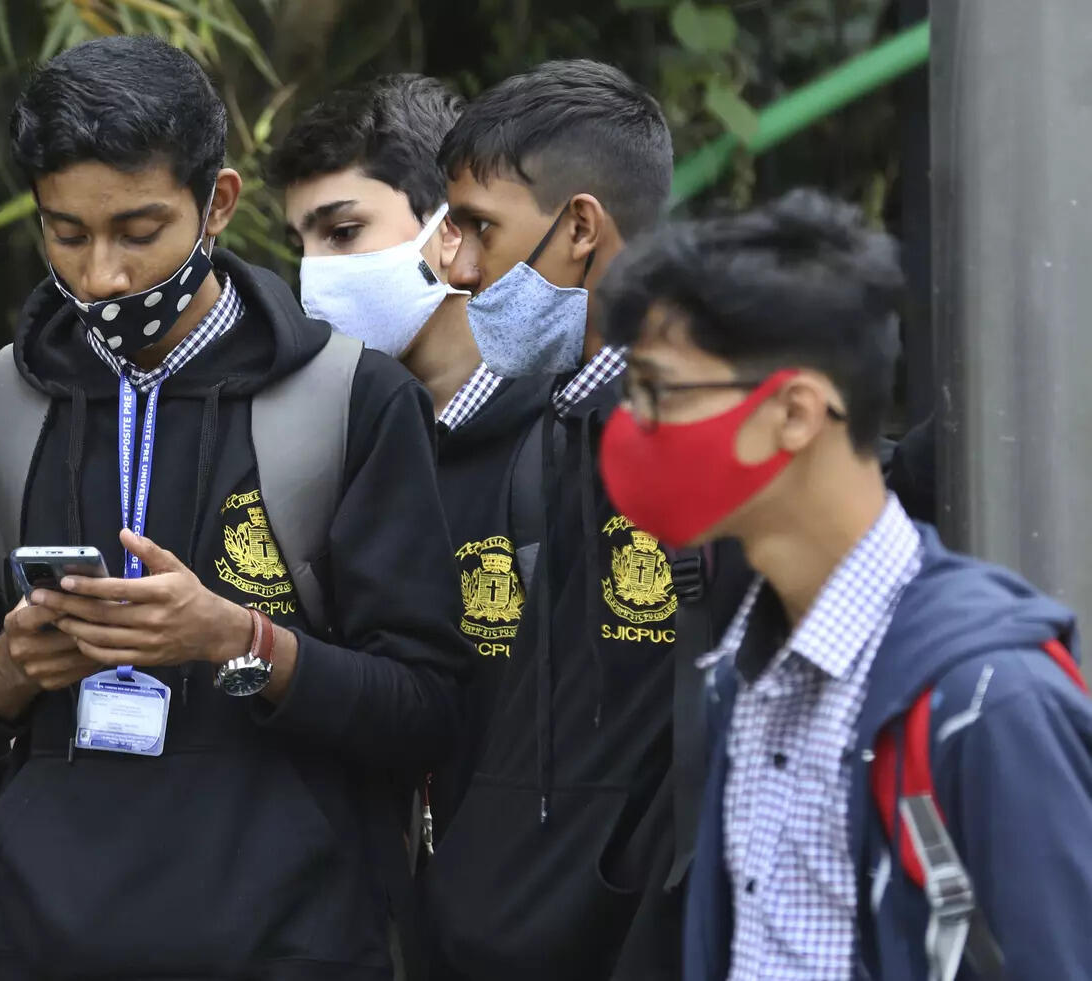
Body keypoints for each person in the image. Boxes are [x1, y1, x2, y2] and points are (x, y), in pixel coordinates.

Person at [0, 36, 468, 979]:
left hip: (291, 947)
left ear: (218, 204)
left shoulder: (351, 401)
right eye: (66, 233)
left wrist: (240, 640)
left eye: (138, 231)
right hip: (40, 944)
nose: (102, 276)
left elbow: (425, 710)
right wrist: (8, 667)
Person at [601, 189, 1092, 981]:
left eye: (659, 393)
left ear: (795, 412)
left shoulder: (990, 703)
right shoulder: (741, 670)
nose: (631, 427)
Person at [420, 60, 752, 980]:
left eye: (480, 227)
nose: (459, 268)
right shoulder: (563, 423)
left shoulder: (722, 435)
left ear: (578, 226)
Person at [268, 74, 553, 840]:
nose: (312, 275)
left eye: (342, 232)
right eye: (299, 245)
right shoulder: (323, 452)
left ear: (450, 228)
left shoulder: (567, 441)